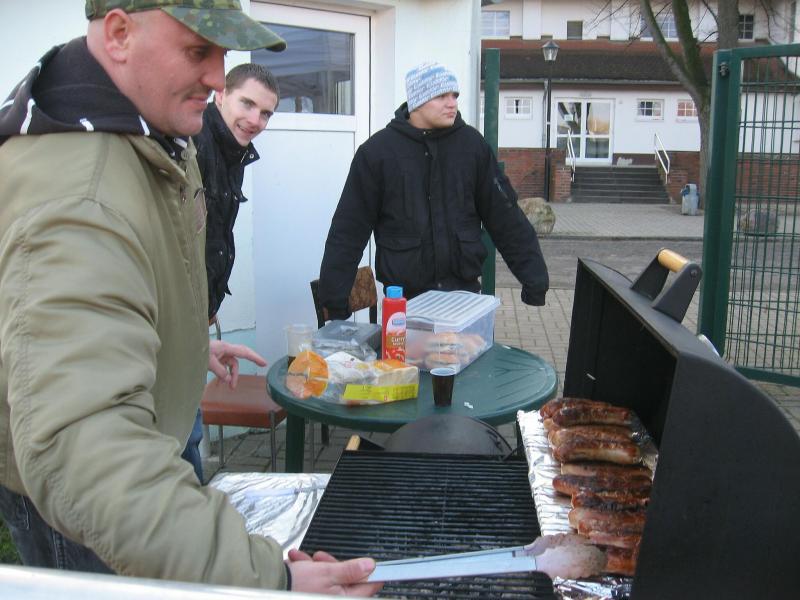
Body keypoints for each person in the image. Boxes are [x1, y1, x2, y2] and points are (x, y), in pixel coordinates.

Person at [0, 1, 380, 595]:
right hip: (89, 513)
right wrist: (269, 578)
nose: (216, 76)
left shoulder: (151, 131)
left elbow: (140, 282)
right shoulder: (81, 196)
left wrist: (187, 344)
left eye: (223, 54)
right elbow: (85, 451)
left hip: (151, 442)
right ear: (119, 33)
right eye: (198, 50)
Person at [318, 62, 549, 319]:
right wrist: (335, 299)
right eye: (441, 96)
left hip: (465, 300)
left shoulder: (472, 147)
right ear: (417, 101)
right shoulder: (377, 153)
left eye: (455, 95)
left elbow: (505, 217)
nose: (452, 103)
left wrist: (535, 279)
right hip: (405, 305)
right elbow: (349, 229)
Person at [180, 63, 280, 483]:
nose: (256, 120)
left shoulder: (230, 151)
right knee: (182, 440)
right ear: (220, 95)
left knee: (187, 431)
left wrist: (208, 302)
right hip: (174, 325)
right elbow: (179, 246)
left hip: (196, 318)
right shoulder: (194, 146)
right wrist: (191, 317)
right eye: (247, 104)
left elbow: (212, 236)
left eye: (266, 113)